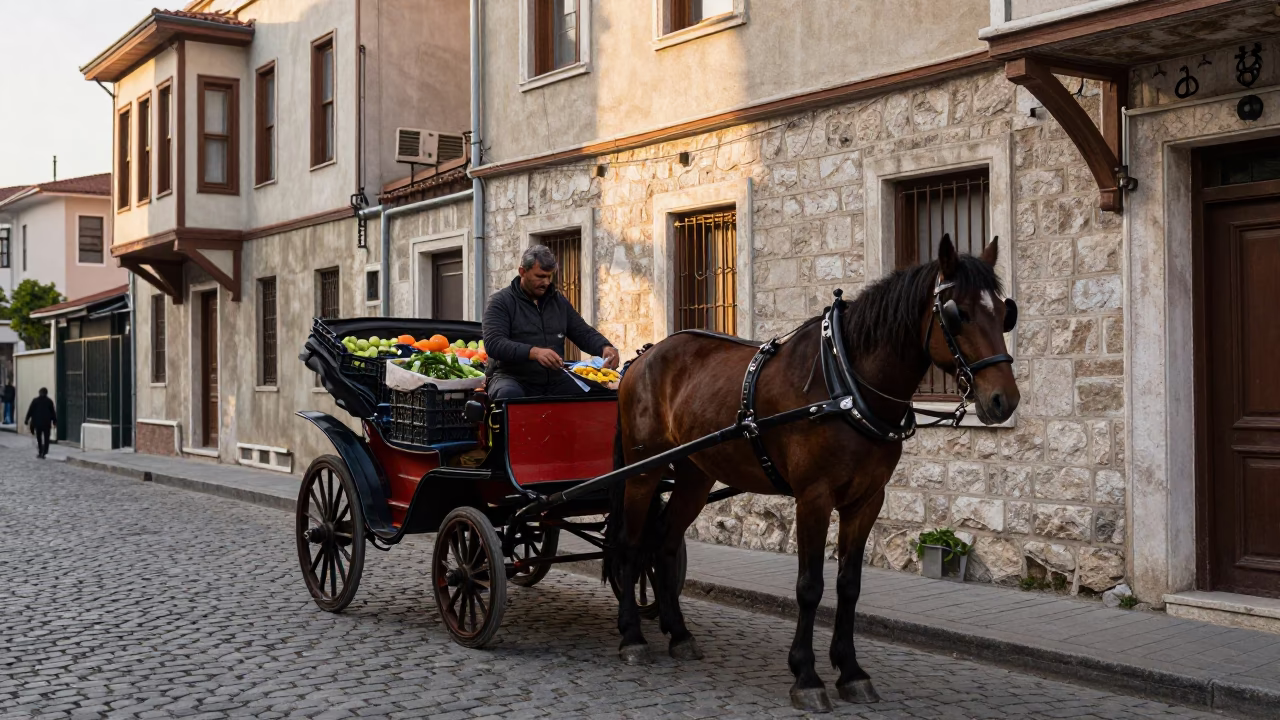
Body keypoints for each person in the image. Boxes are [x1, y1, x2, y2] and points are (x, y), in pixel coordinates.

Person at [482, 245, 619, 401]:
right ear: (522, 272)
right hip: (513, 378)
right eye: (540, 276)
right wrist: (534, 352)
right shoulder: (501, 302)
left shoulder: (558, 301)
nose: (546, 282)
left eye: (549, 276)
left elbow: (582, 332)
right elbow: (494, 343)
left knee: (603, 391)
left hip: (555, 379)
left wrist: (605, 347)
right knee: (509, 397)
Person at [25, 387, 56, 459]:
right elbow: (53, 412)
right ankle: (45, 451)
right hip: (46, 422)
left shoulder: (35, 401)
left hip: (37, 422)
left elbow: (30, 410)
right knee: (46, 438)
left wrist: (27, 419)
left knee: (39, 437)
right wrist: (54, 421)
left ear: (39, 393)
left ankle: (40, 451)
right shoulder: (49, 401)